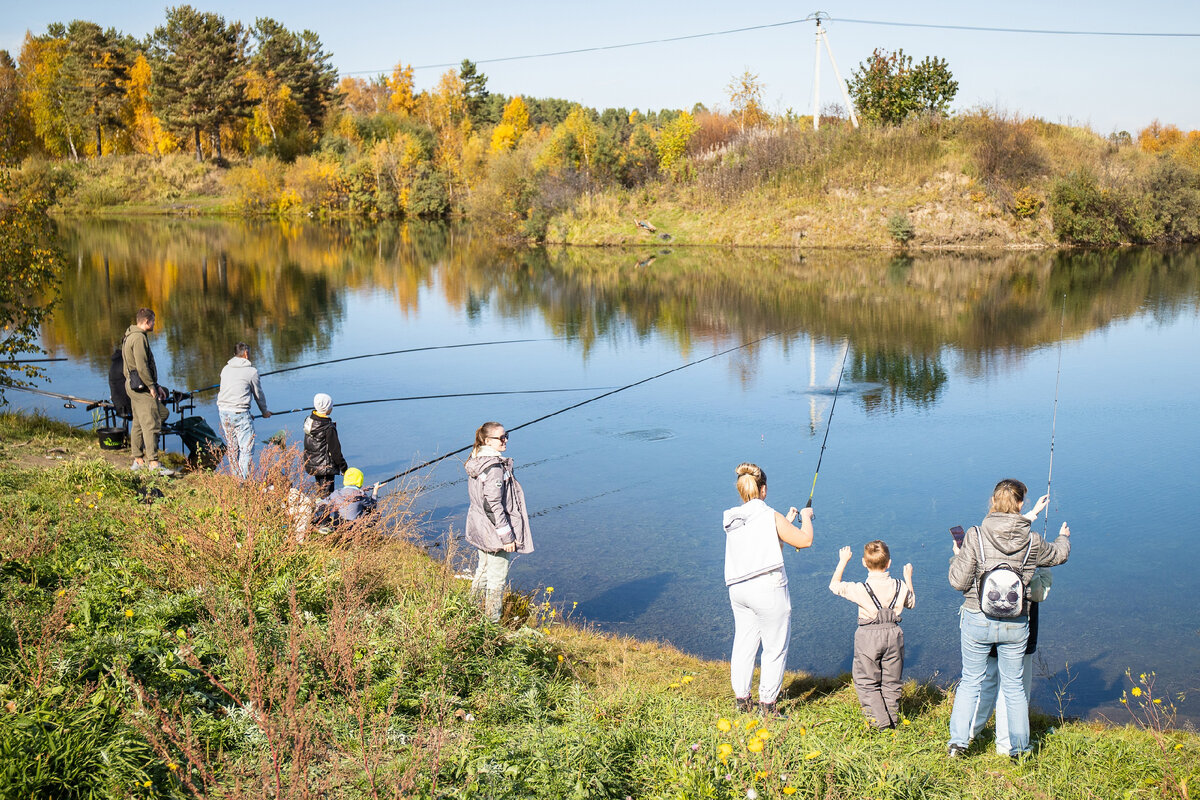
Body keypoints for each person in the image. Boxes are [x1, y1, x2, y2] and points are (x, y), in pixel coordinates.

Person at [946, 479, 1071, 758]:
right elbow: (1059, 555)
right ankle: (1017, 749)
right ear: (1020, 504)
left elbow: (958, 582)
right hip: (1016, 623)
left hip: (977, 619)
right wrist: (1064, 537)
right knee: (1014, 687)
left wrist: (958, 557)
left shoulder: (975, 536)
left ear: (992, 501)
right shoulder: (1032, 540)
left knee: (970, 681)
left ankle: (958, 744)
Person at [723, 462, 814, 717]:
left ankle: (742, 701)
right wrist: (805, 518)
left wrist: (786, 522)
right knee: (774, 646)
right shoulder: (769, 515)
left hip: (739, 590)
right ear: (763, 490)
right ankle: (768, 706)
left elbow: (763, 546)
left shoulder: (732, 518)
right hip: (768, 589)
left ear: (742, 491)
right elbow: (804, 540)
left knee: (743, 644)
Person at [829, 540, 916, 729]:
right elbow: (911, 603)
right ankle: (892, 720)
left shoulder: (861, 589)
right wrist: (908, 577)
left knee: (866, 680)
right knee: (892, 680)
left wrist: (843, 561)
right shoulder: (900, 586)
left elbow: (834, 586)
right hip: (894, 634)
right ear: (889, 563)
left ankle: (881, 724)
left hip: (868, 636)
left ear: (863, 562)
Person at [464, 422, 532, 622]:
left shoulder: (478, 460)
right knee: (497, 579)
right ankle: (491, 623)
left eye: (506, 435)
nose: (505, 440)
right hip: (494, 530)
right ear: (487, 441)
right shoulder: (494, 468)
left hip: (481, 526)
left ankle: (468, 612)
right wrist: (507, 537)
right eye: (500, 438)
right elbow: (493, 504)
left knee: (483, 569)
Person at [121, 308, 170, 473]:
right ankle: (153, 464)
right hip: (141, 386)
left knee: (138, 422)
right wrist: (151, 386)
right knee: (151, 422)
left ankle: (138, 460)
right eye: (154, 321)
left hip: (132, 384)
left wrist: (156, 386)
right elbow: (142, 366)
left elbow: (126, 368)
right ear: (147, 321)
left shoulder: (128, 336)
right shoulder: (139, 338)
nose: (155, 324)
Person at [216, 342, 271, 479]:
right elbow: (258, 395)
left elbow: (231, 391)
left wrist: (246, 414)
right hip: (239, 412)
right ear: (246, 353)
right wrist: (265, 412)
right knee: (246, 449)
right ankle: (242, 483)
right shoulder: (251, 372)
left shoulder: (225, 369)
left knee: (232, 448)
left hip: (223, 412)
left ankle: (236, 479)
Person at [302, 393, 347, 497]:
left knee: (320, 491)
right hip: (325, 467)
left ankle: (320, 509)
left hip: (313, 464)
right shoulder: (328, 428)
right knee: (327, 495)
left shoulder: (309, 421)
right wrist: (343, 467)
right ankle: (324, 512)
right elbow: (335, 451)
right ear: (327, 409)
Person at [313, 467, 380, 528]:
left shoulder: (337, 493)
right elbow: (372, 507)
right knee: (376, 514)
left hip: (338, 525)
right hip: (354, 527)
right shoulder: (361, 495)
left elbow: (321, 504)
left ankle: (323, 527)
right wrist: (375, 491)